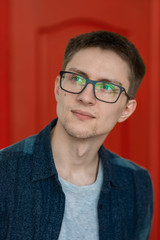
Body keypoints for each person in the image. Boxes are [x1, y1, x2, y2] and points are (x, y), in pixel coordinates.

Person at [0, 30, 153, 240]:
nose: (85, 97)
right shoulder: (3, 174)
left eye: (107, 87)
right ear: (57, 88)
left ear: (126, 109)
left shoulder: (136, 184)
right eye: (76, 79)